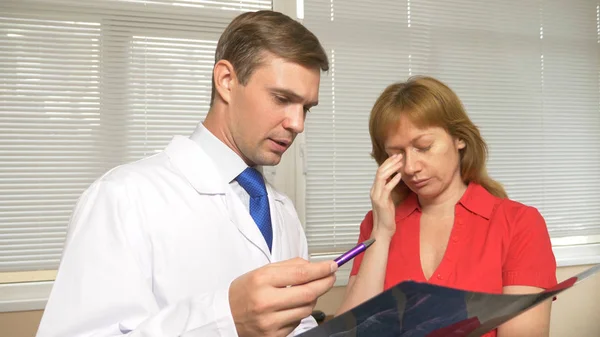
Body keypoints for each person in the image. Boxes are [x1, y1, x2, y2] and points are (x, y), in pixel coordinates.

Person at [37, 10, 337, 337]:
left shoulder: (283, 212)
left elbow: (295, 323)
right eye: (282, 98)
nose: (298, 123)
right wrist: (225, 320)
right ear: (226, 81)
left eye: (306, 107)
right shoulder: (123, 197)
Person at [337, 76, 558, 336]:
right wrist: (382, 235)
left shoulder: (519, 224)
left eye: (424, 147)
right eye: (396, 155)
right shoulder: (376, 225)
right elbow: (351, 332)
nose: (410, 168)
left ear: (459, 138)